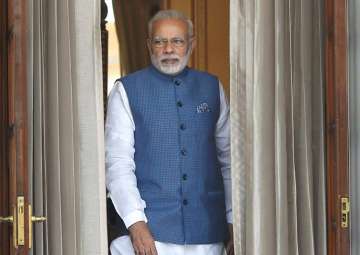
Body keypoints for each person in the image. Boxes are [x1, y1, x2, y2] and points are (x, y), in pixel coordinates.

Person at [105, 9, 233, 255]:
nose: (168, 49)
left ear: (191, 44)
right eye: (159, 41)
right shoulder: (126, 90)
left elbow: (228, 161)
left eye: (177, 41)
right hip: (147, 237)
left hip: (207, 234)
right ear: (148, 45)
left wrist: (233, 221)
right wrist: (136, 223)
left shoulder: (212, 88)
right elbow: (118, 163)